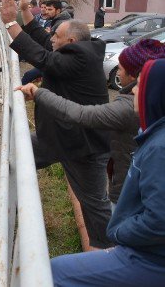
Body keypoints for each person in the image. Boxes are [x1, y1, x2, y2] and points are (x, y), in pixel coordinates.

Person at [0, 0, 112, 249]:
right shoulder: (78, 51)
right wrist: (25, 10)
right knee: (19, 150)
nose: (52, 38)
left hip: (84, 146)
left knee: (94, 203)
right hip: (63, 136)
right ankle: (9, 195)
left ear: (70, 42)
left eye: (57, 36)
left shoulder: (78, 60)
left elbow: (42, 58)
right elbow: (41, 39)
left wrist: (9, 23)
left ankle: (106, 249)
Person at [50, 58, 165, 286]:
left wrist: (120, 231)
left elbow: (159, 219)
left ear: (154, 94)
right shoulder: (153, 134)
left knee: (54, 272)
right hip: (147, 249)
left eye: (140, 84)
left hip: (149, 257)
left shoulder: (160, 147)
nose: (133, 91)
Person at [18, 39, 165, 211]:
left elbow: (79, 114)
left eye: (121, 68)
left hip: (127, 191)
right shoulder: (145, 102)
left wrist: (39, 93)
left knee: (99, 207)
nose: (117, 72)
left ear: (135, 76)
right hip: (125, 181)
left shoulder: (128, 107)